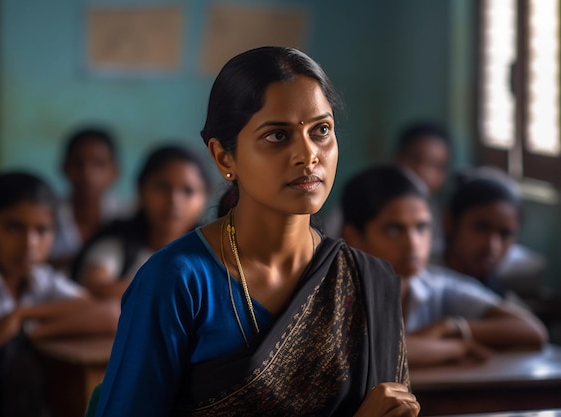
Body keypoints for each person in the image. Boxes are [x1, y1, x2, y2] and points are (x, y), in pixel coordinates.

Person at [91, 46, 419, 417]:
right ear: (224, 157)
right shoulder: (177, 280)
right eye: (278, 136)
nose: (309, 155)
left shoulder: (362, 281)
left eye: (321, 130)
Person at [0, 171, 119, 417]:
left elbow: (110, 312)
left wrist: (23, 321)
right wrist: (16, 324)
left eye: (42, 230)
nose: (30, 243)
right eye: (13, 227)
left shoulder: (39, 276)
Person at [340, 165, 548, 368]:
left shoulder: (438, 286)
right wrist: (456, 349)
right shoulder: (332, 294)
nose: (413, 244)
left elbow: (533, 332)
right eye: (394, 230)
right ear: (353, 236)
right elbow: (364, 354)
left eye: (422, 227)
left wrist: (452, 327)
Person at [72, 144, 211, 299]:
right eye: (162, 187)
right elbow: (96, 287)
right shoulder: (118, 246)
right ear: (141, 189)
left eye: (188, 191)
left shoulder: (212, 257)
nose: (174, 201)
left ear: (204, 199)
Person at [442, 167, 545, 300]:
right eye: (481, 228)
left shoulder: (504, 303)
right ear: (450, 223)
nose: (492, 246)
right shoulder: (419, 290)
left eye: (505, 234)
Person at [49, 126, 131, 270]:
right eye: (78, 163)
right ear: (64, 167)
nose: (88, 173)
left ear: (115, 171)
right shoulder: (47, 215)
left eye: (99, 164)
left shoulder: (128, 217)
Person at [393, 121, 451, 257]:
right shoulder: (365, 201)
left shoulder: (444, 213)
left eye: (436, 165)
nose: (422, 171)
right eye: (415, 159)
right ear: (397, 158)